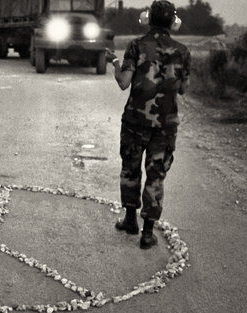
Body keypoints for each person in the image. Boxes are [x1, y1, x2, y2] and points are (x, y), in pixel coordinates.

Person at [106, 0, 190, 249]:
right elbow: (184, 88)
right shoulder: (183, 51)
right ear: (173, 22)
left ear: (147, 18)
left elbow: (123, 82)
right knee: (156, 176)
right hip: (165, 125)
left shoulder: (136, 45)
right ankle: (147, 233)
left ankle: (130, 220)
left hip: (135, 121)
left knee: (131, 170)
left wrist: (114, 62)